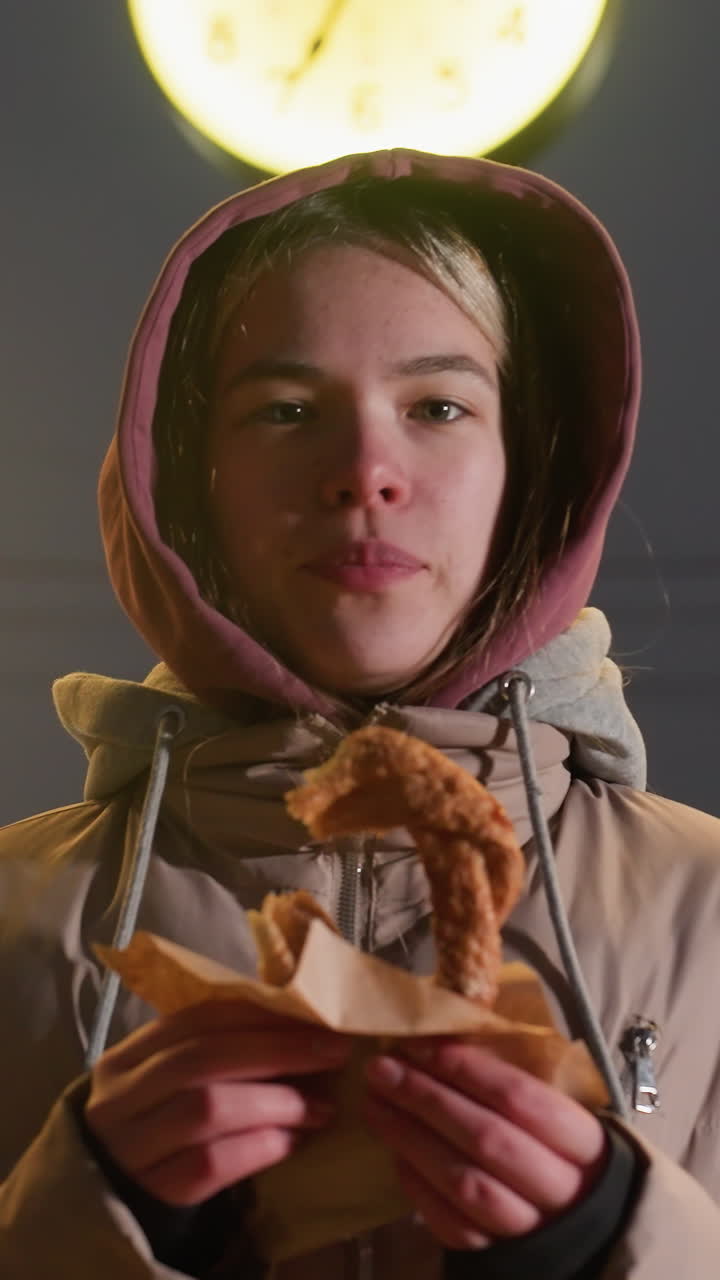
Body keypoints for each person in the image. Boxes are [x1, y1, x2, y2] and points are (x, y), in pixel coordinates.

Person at [1, 147, 719, 1280]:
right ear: (185, 478)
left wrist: (614, 1237)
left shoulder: (706, 909)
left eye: (438, 405)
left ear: (532, 470)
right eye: (286, 410)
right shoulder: (14, 916)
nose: (365, 471)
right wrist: (88, 1216)